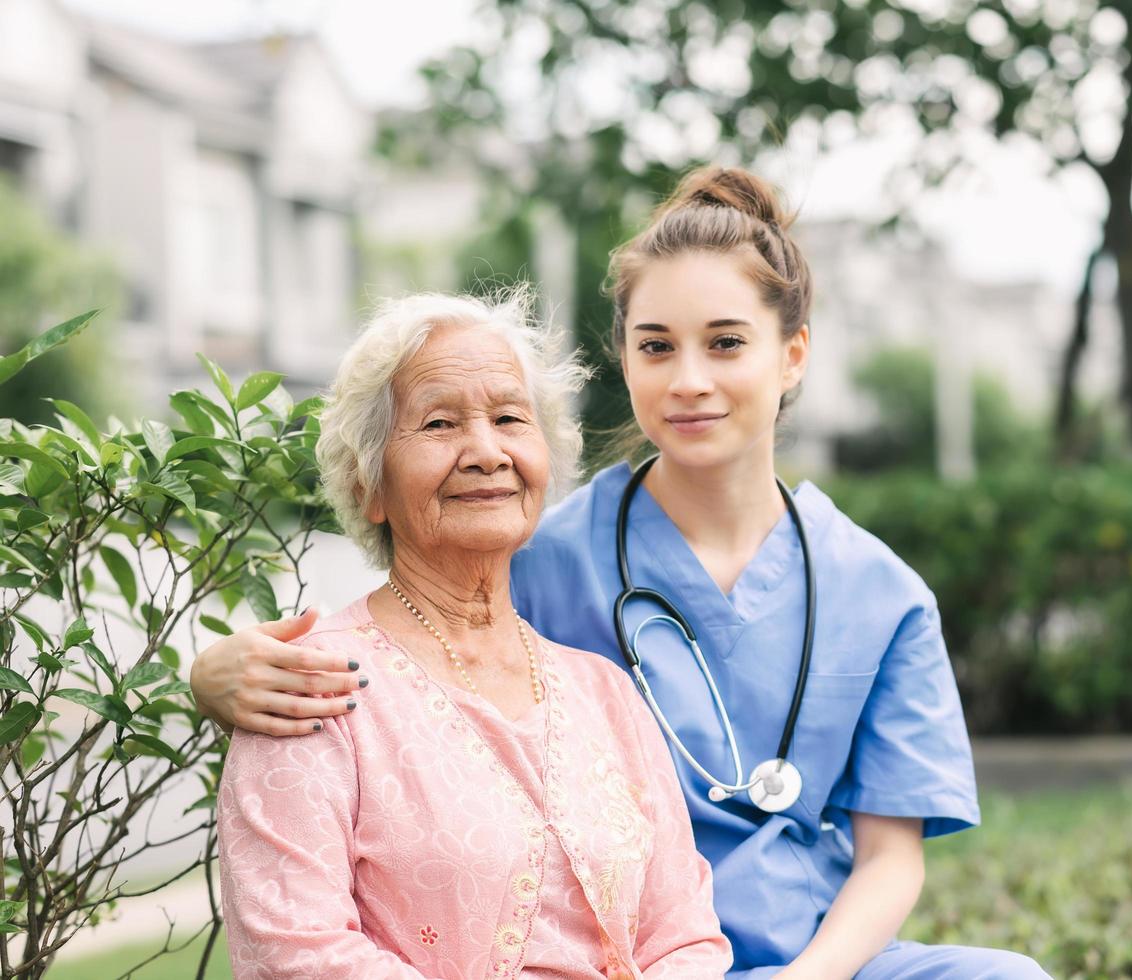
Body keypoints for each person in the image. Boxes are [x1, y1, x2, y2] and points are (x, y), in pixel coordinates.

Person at [194, 169, 1050, 979]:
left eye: (725, 344)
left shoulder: (881, 593)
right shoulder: (540, 553)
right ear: (624, 359)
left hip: (816, 957)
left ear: (792, 355)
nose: (689, 381)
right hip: (619, 947)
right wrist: (210, 673)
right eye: (656, 346)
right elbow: (410, 631)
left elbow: (891, 858)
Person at [213, 289, 731, 979]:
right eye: (438, 424)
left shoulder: (606, 693)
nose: (486, 451)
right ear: (368, 483)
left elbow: (685, 936)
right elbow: (295, 953)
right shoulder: (307, 688)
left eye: (510, 418)